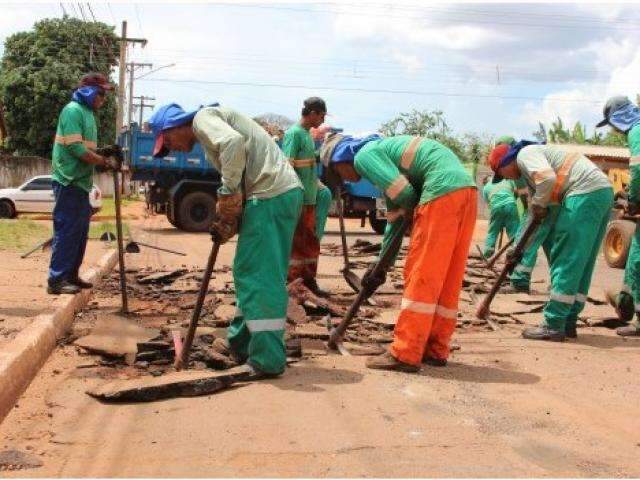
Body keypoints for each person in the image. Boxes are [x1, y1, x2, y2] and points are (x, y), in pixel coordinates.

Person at [148, 103, 303, 376]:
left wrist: (227, 193)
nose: (173, 148)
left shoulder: (202, 119)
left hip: (270, 196)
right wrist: (231, 218)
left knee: (259, 276)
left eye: (168, 140)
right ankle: (241, 344)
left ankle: (267, 359)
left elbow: (233, 144)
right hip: (272, 196)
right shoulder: (210, 127)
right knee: (248, 270)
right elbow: (241, 162)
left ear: (174, 126)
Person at [324, 134, 477, 372]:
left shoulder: (365, 156)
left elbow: (406, 198)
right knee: (447, 276)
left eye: (337, 173)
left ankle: (405, 352)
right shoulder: (387, 160)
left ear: (341, 160)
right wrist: (380, 267)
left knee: (422, 274)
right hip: (466, 191)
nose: (344, 180)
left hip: (440, 192)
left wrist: (406, 212)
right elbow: (395, 221)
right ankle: (436, 349)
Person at [488, 141, 613, 341]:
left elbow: (546, 180)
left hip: (583, 193)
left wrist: (538, 204)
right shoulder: (534, 173)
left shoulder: (525, 156)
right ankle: (568, 320)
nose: (505, 178)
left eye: (501, 173)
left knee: (566, 257)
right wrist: (518, 249)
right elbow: (537, 219)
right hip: (601, 192)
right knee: (583, 260)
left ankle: (553, 324)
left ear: (506, 162)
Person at [48, 73, 119, 295]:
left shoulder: (87, 114)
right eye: (101, 93)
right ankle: (56, 280)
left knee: (79, 232)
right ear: (89, 91)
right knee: (67, 229)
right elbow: (76, 149)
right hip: (68, 180)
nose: (103, 99)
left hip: (81, 183)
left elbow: (86, 147)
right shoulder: (72, 111)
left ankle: (71, 275)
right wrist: (103, 161)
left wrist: (102, 152)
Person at [596, 96, 640, 336]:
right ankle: (625, 303)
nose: (614, 130)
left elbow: (638, 168)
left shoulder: (637, 131)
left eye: (612, 124)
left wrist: (632, 200)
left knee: (637, 260)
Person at [282, 97, 329, 296]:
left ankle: (309, 281)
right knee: (296, 244)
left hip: (310, 199)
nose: (322, 120)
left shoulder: (308, 135)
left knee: (310, 242)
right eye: (322, 115)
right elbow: (287, 167)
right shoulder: (294, 134)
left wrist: (316, 184)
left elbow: (308, 166)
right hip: (300, 200)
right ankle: (293, 283)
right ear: (312, 113)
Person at [481, 174, 520, 258]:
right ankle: (516, 251)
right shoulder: (506, 179)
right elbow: (516, 192)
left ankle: (488, 251)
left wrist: (499, 220)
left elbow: (489, 204)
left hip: (496, 207)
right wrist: (513, 200)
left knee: (493, 231)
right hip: (510, 205)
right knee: (514, 230)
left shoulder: (485, 188)